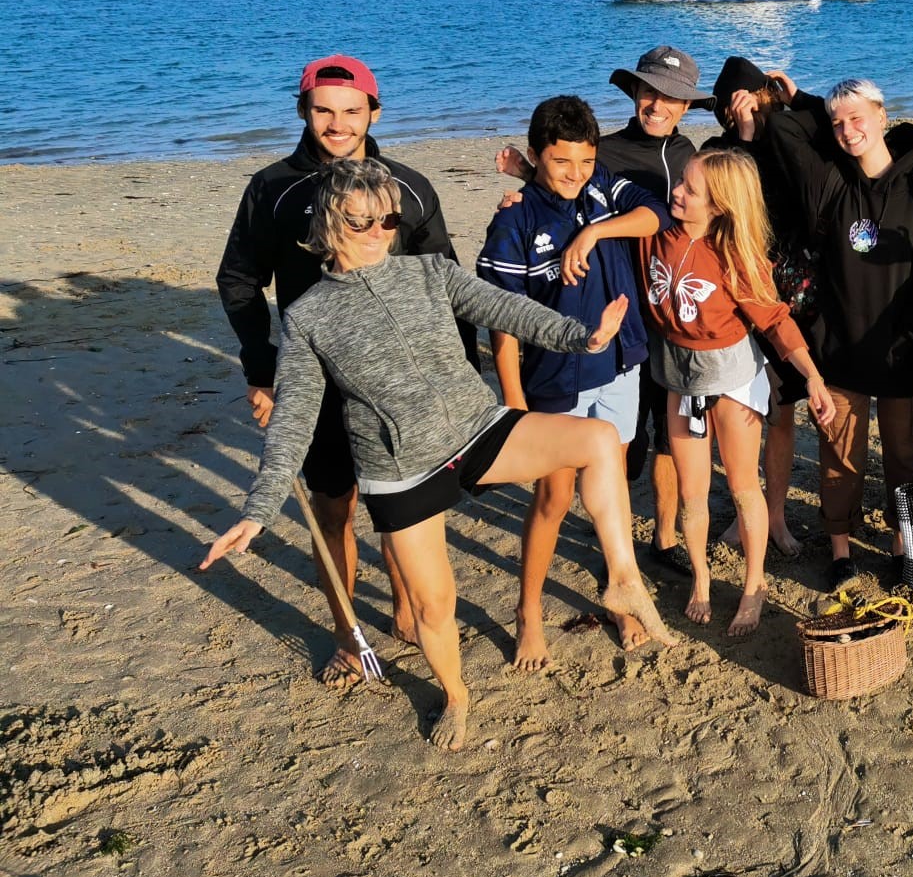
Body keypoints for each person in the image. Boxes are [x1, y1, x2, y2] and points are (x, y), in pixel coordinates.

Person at [201, 159, 676, 752]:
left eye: (389, 219)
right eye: (361, 221)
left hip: (477, 429)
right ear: (329, 223)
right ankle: (456, 694)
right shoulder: (308, 316)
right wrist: (259, 509)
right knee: (434, 605)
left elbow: (508, 310)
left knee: (598, 440)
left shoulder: (427, 271)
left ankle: (623, 579)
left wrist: (582, 337)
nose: (379, 232)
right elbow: (295, 416)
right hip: (400, 469)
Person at [215, 54, 470, 688]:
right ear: (304, 110)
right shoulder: (273, 188)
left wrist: (454, 368)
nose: (337, 123)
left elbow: (447, 281)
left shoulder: (406, 188)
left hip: (396, 387)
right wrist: (261, 368)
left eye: (351, 111)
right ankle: (347, 634)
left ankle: (408, 603)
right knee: (334, 511)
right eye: (323, 110)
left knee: (401, 507)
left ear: (373, 113)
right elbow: (239, 279)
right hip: (315, 382)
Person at [477, 96, 670, 671]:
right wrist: (512, 402)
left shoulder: (601, 189)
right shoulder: (514, 220)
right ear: (534, 155)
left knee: (611, 491)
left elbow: (656, 212)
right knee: (555, 498)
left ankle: (620, 591)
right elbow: (501, 319)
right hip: (554, 377)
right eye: (561, 162)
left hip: (620, 365)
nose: (575, 174)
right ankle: (528, 612)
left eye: (585, 162)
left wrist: (592, 234)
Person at [504, 46, 711, 580]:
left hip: (675, 314)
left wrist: (595, 229)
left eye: (670, 96)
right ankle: (612, 546)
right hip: (614, 316)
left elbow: (673, 215)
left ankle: (663, 539)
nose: (657, 103)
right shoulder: (607, 153)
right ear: (633, 94)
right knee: (621, 449)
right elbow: (563, 187)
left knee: (671, 437)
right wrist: (525, 182)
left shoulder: (690, 153)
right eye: (648, 91)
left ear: (687, 106)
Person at [640, 150, 838, 636]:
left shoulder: (734, 256)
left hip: (730, 375)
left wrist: (812, 376)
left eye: (690, 189)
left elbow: (774, 320)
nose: (677, 193)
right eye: (681, 182)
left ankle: (754, 585)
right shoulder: (654, 235)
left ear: (720, 205)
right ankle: (702, 581)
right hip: (678, 375)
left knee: (742, 485)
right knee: (692, 493)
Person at [764, 79, 913, 590]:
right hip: (839, 350)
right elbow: (781, 127)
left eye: (858, 117)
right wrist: (806, 102)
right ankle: (841, 549)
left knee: (906, 455)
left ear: (884, 116)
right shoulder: (830, 184)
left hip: (902, 351)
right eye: (837, 123)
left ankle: (905, 541)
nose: (846, 130)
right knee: (841, 457)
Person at [702, 55, 829, 562]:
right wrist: (744, 135)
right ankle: (744, 511)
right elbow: (733, 198)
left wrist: (788, 103)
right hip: (734, 296)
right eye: (734, 105)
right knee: (737, 410)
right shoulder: (716, 151)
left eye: (752, 99)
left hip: (787, 295)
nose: (744, 109)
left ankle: (774, 514)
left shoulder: (788, 137)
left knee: (779, 411)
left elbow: (791, 189)